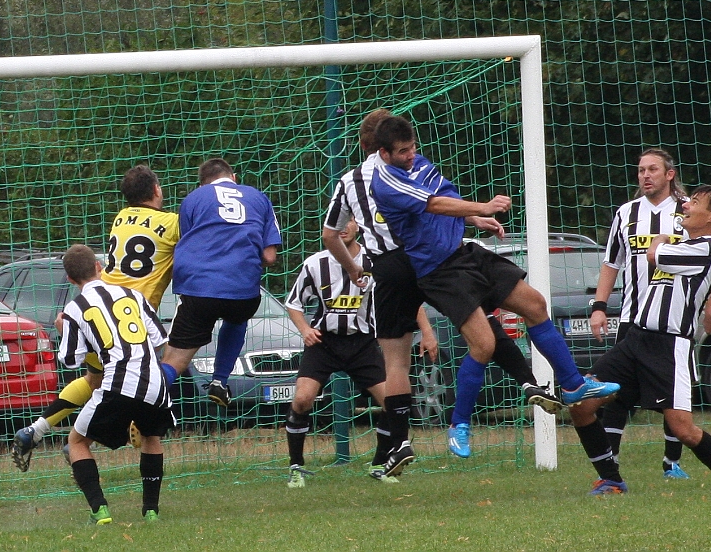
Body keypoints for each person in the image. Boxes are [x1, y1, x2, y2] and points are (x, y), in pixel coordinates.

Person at [322, 110, 562, 475]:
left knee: (397, 360)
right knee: (481, 325)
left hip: (390, 266)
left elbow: (330, 234)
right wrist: (475, 215)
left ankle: (399, 442)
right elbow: (430, 206)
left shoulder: (349, 181)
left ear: (363, 144)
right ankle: (529, 381)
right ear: (386, 146)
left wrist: (354, 268)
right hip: (432, 256)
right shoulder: (408, 168)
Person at [369, 115, 619, 461]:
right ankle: (459, 425)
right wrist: (483, 205)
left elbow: (443, 200)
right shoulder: (384, 182)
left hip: (463, 252)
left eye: (412, 147)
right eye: (402, 151)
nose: (411, 155)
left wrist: (474, 218)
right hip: (439, 271)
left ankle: (574, 384)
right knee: (484, 345)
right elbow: (432, 204)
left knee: (535, 304)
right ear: (384, 153)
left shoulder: (417, 161)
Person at [570, 186, 711, 494]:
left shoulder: (710, 247)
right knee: (582, 405)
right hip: (635, 340)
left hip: (668, 347)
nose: (686, 206)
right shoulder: (685, 242)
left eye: (694, 203)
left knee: (683, 429)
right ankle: (611, 479)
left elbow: (653, 254)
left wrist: (661, 238)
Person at [11, 165, 180, 471]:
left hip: (97, 313)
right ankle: (96, 436)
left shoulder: (120, 218)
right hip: (129, 319)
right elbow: (193, 241)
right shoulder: (171, 223)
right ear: (157, 190)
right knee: (159, 366)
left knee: (94, 379)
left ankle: (35, 430)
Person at [590, 148, 703, 479]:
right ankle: (610, 463)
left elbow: (706, 260)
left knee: (674, 395)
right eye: (641, 170)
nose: (645, 175)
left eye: (652, 169)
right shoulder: (626, 213)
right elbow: (612, 263)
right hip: (633, 318)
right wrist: (599, 308)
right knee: (616, 392)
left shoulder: (688, 211)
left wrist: (709, 309)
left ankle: (672, 463)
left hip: (674, 321)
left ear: (669, 174)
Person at [57, 244, 175, 525]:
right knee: (151, 437)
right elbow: (159, 339)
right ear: (99, 266)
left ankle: (100, 510)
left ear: (71, 279)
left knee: (77, 442)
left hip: (118, 382)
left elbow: (70, 360)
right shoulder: (133, 294)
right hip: (155, 382)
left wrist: (63, 330)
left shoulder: (74, 308)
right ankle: (151, 511)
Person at [158, 158, 281, 405]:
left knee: (174, 360)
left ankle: (142, 399)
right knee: (237, 317)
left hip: (200, 289)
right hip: (243, 292)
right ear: (233, 177)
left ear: (203, 184)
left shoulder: (193, 199)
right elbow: (269, 257)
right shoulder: (259, 197)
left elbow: (189, 243)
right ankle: (219, 381)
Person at [283, 219, 395, 486]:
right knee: (302, 399)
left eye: (348, 221)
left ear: (358, 225)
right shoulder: (315, 264)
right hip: (324, 343)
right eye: (337, 223)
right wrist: (305, 330)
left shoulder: (373, 262)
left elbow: (401, 297)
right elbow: (293, 303)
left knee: (393, 402)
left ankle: (379, 465)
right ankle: (296, 468)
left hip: (362, 344)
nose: (343, 227)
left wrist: (425, 331)